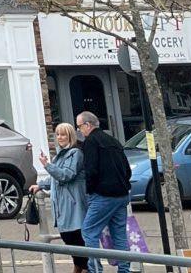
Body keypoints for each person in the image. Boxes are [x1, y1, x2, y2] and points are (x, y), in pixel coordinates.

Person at [75, 111, 135, 273]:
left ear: (87, 125)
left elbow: (91, 170)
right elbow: (127, 170)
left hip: (103, 195)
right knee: (120, 236)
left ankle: (95, 270)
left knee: (89, 232)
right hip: (122, 194)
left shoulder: (90, 142)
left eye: (79, 126)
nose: (79, 130)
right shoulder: (113, 141)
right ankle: (124, 270)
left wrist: (91, 191)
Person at [33, 122, 90, 272]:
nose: (60, 137)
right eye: (57, 134)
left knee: (75, 239)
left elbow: (66, 175)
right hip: (62, 204)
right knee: (68, 238)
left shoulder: (75, 153)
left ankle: (84, 268)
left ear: (70, 135)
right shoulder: (61, 154)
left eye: (63, 134)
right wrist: (41, 184)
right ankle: (80, 268)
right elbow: (55, 177)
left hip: (73, 203)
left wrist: (47, 165)